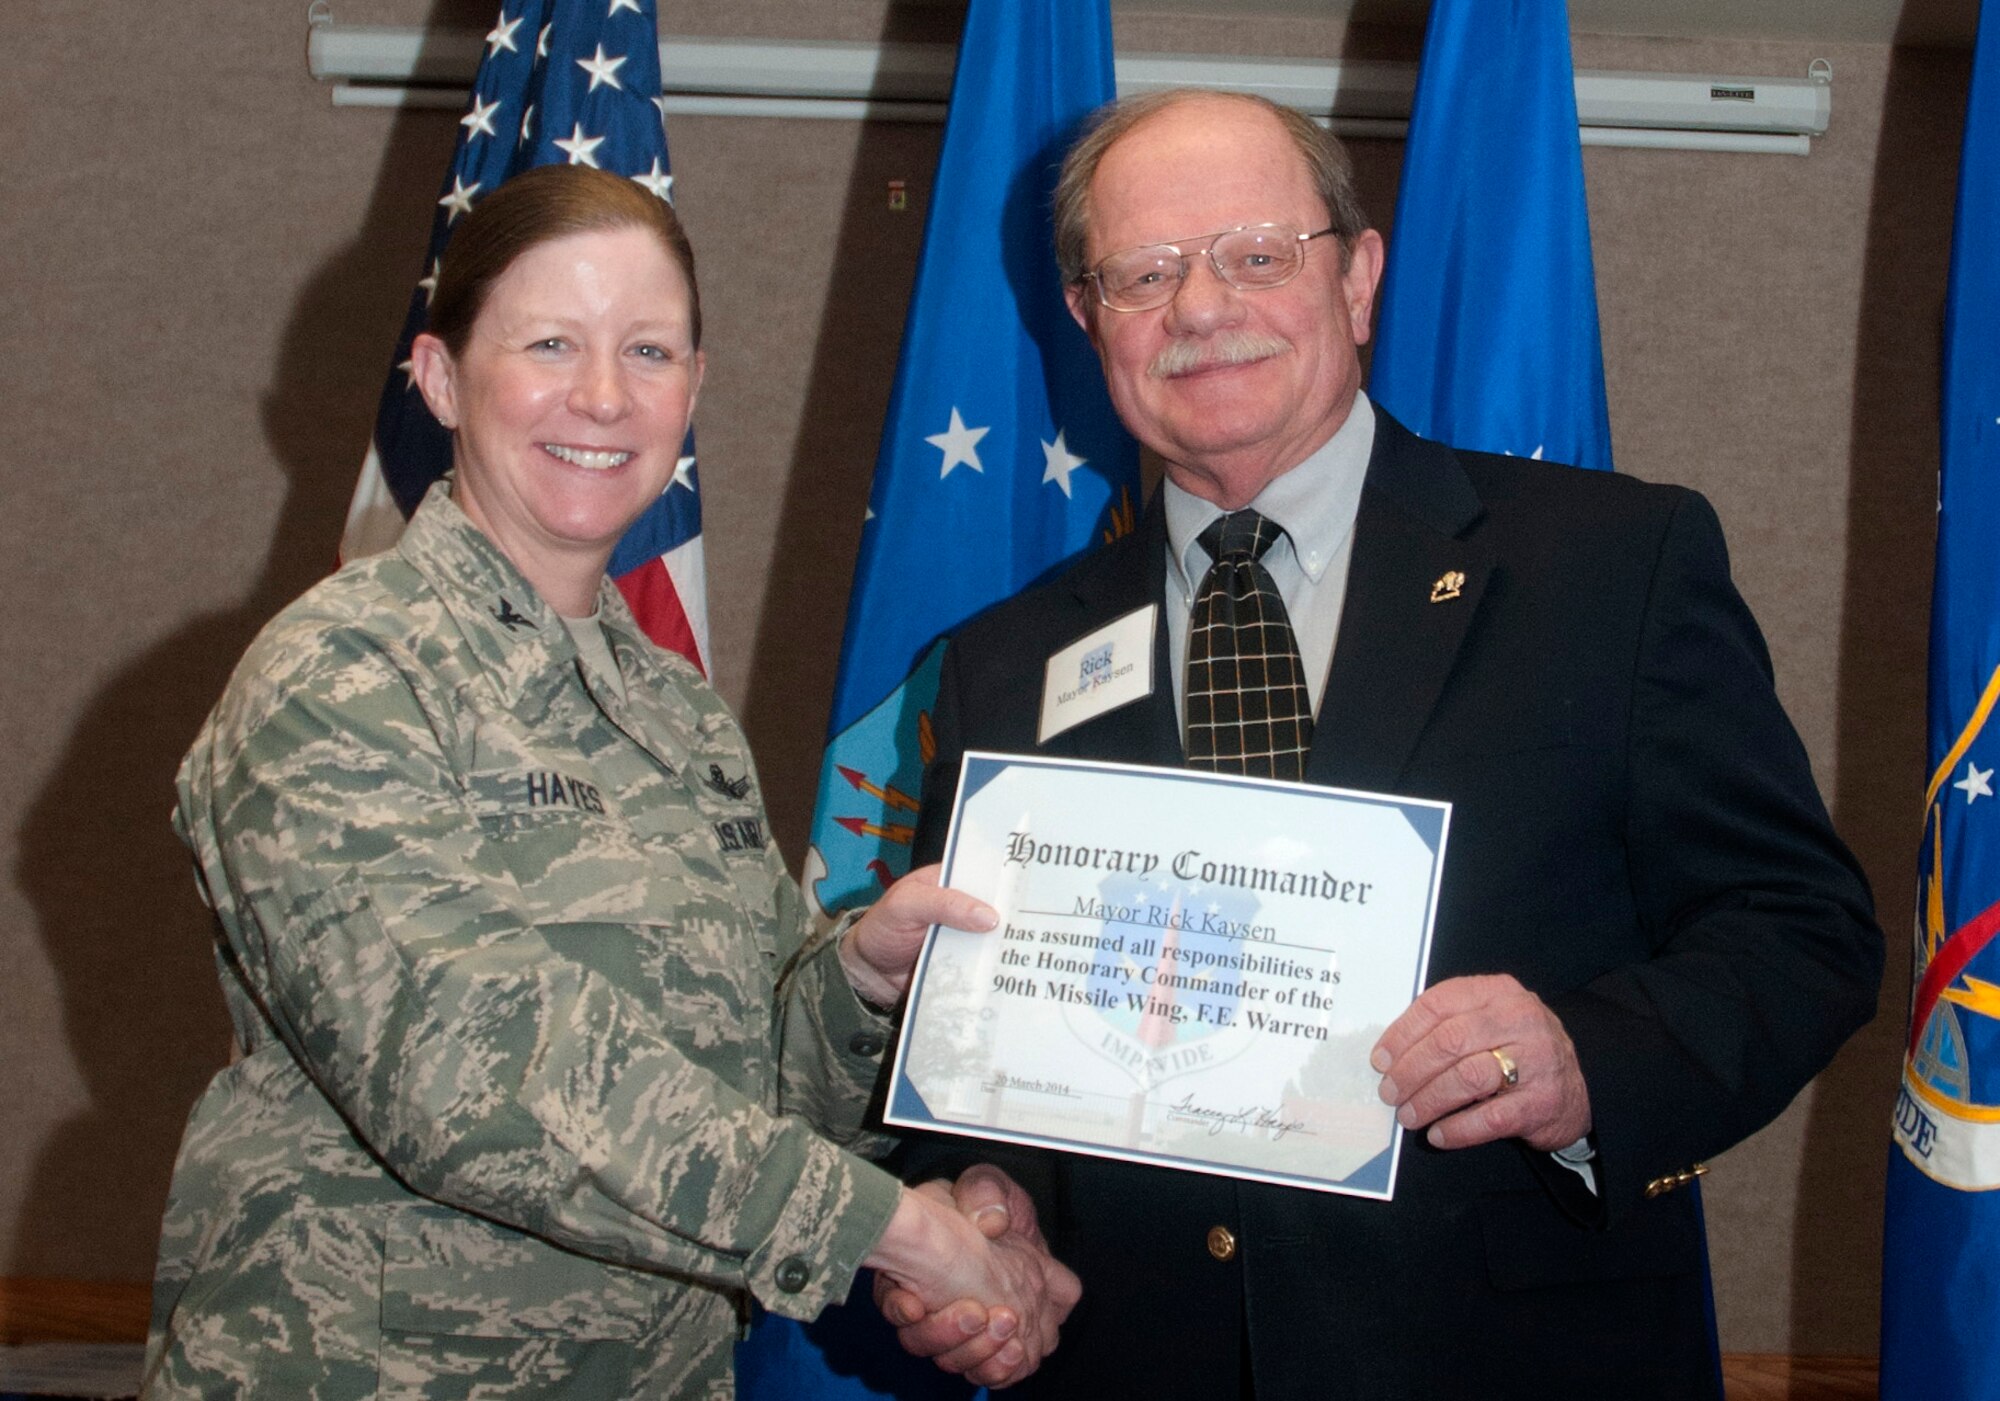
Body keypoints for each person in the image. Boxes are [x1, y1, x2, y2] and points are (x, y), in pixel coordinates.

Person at [883, 89, 1883, 1399]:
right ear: (1087, 319)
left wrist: (1594, 1060)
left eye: (1256, 254)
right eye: (1146, 273)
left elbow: (1802, 929)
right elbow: (964, 1035)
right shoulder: (999, 664)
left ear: (1357, 277)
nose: (1200, 309)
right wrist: (983, 1196)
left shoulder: (1608, 564)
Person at [142, 164, 1076, 1400]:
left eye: (648, 350)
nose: (601, 395)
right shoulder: (341, 674)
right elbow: (472, 1073)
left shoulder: (673, 710)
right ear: (439, 378)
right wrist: (893, 1231)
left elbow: (744, 1074)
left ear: (693, 388)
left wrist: (855, 980)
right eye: (547, 343)